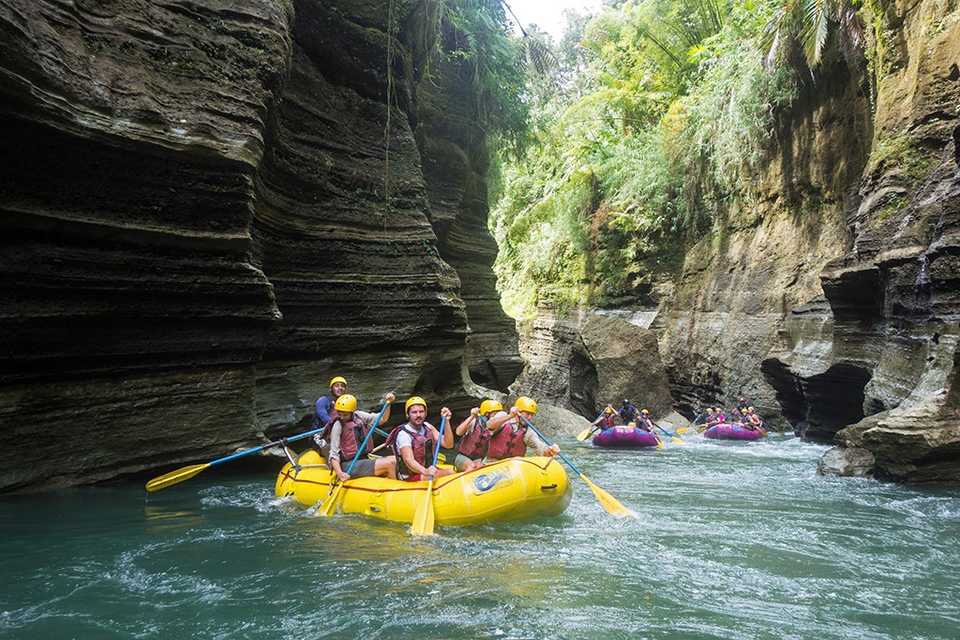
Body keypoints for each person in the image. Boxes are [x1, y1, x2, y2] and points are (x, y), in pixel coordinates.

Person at [324, 392, 396, 481]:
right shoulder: (338, 425)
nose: (342, 417)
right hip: (348, 465)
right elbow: (333, 454)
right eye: (339, 414)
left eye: (345, 415)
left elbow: (382, 419)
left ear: (352, 412)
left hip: (363, 458)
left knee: (394, 459)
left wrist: (387, 404)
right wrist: (340, 474)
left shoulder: (360, 416)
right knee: (390, 463)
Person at [387, 396, 454, 481]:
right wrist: (425, 471)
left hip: (427, 470)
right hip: (411, 476)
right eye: (414, 412)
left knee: (456, 470)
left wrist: (446, 421)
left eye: (421, 411)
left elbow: (448, 444)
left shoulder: (428, 427)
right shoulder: (403, 434)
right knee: (451, 473)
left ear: (425, 413)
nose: (418, 415)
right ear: (408, 415)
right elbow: (409, 460)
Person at [483, 396, 560, 462]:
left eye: (532, 415)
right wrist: (510, 416)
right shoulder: (503, 417)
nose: (529, 417)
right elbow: (490, 425)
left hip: (514, 466)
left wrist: (550, 451)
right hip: (492, 463)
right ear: (518, 412)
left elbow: (540, 449)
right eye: (527, 414)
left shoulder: (528, 432)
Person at [453, 399, 504, 472]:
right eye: (495, 413)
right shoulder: (474, 422)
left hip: (478, 460)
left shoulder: (495, 428)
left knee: (482, 468)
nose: (497, 417)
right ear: (487, 414)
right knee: (472, 467)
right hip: (462, 457)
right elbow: (458, 432)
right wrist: (472, 416)